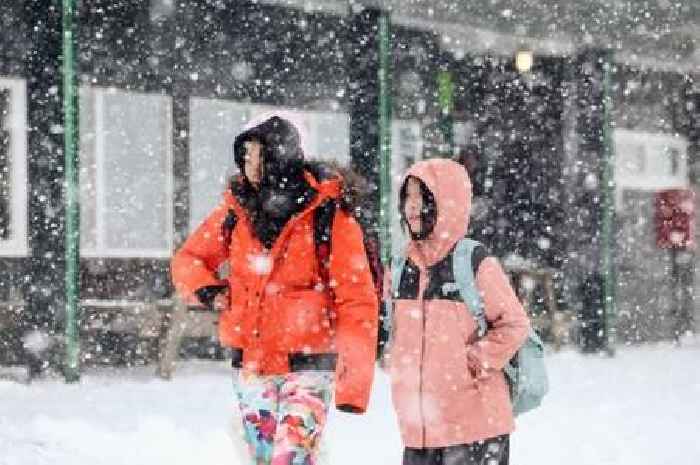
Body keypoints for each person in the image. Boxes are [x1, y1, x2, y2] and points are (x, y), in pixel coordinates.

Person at [171, 115, 378, 465]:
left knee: (289, 459)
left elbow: (356, 299)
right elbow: (189, 259)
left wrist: (353, 383)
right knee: (267, 460)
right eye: (246, 156)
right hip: (251, 364)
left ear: (280, 157)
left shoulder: (327, 212)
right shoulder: (236, 209)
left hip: (310, 365)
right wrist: (208, 290)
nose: (250, 165)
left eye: (258, 156)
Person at [387, 158, 529, 465]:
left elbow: (515, 324)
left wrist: (474, 360)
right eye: (407, 197)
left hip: (474, 428)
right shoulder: (401, 267)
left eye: (422, 197)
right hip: (420, 432)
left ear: (446, 203)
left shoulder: (473, 262)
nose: (411, 207)